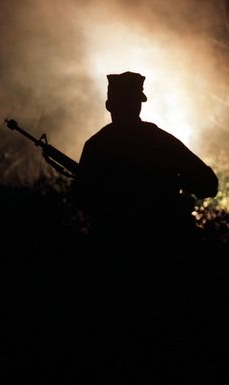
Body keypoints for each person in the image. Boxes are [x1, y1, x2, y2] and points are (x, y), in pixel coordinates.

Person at [73, 71, 218, 257]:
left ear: (109, 105)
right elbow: (208, 184)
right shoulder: (161, 141)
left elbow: (80, 198)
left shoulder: (96, 144)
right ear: (139, 104)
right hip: (163, 247)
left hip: (113, 248)